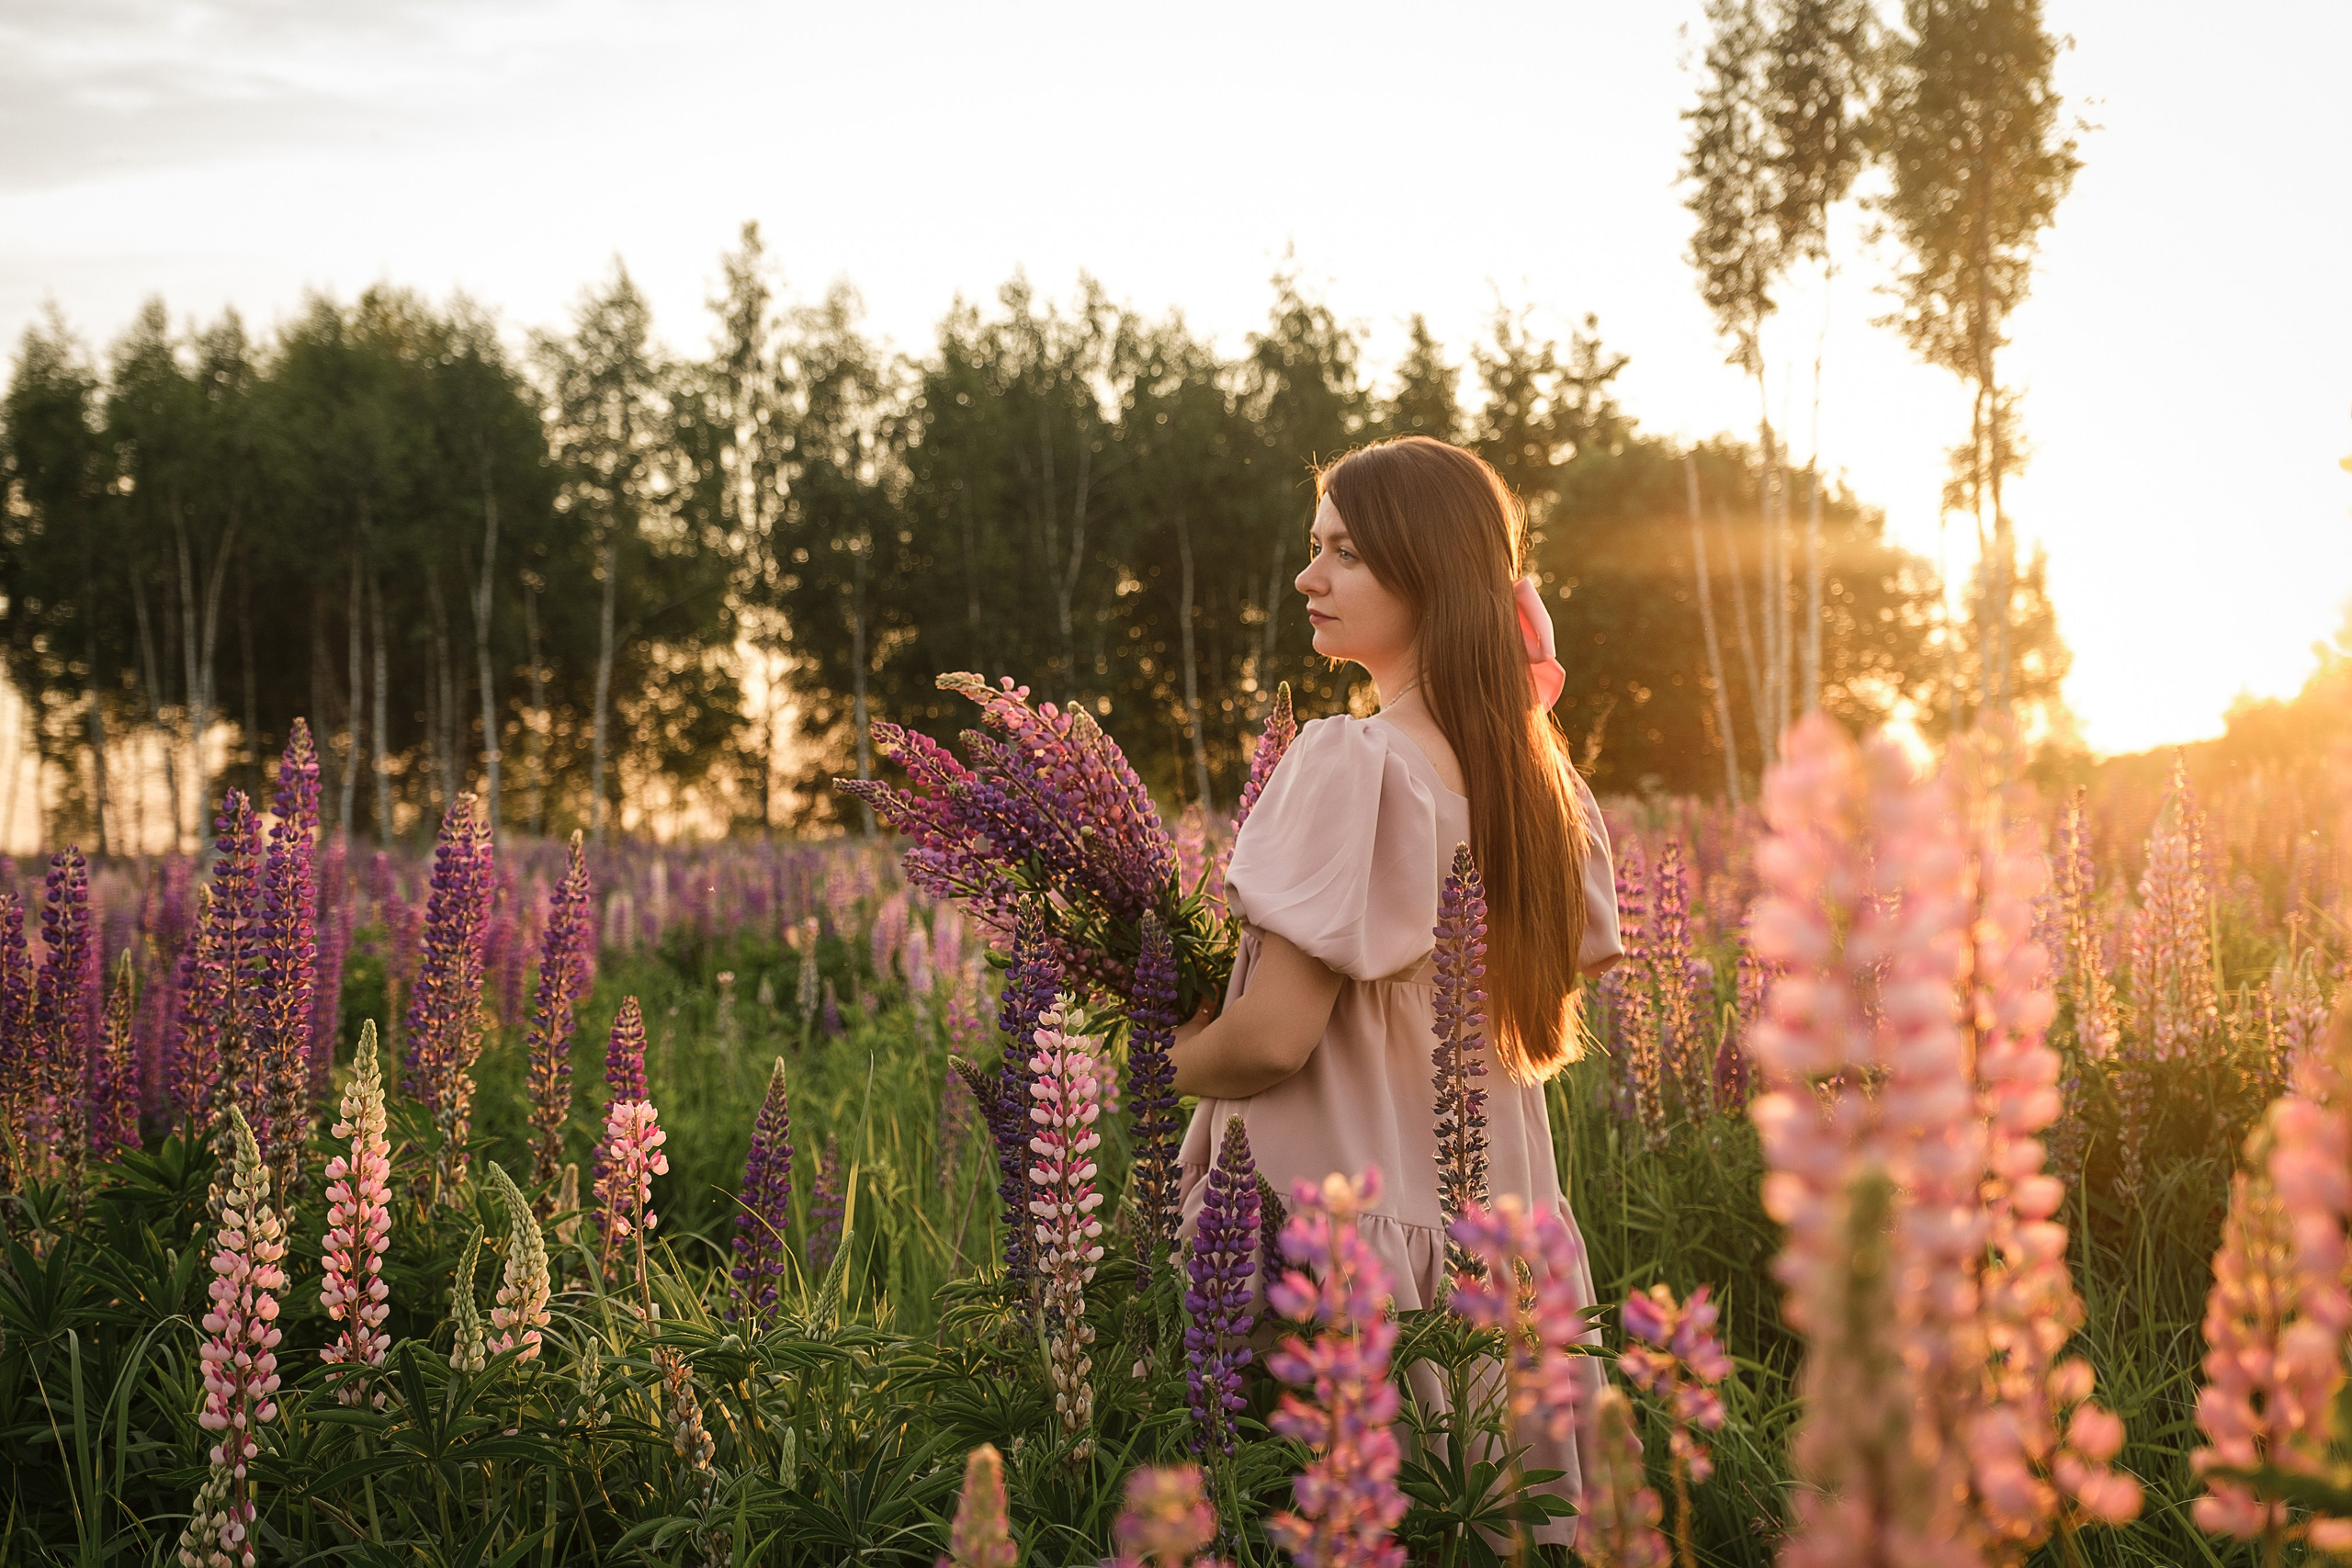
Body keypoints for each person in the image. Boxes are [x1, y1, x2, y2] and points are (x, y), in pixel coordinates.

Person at [1170, 434, 1623, 1531]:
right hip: (1496, 1249)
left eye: (1344, 555)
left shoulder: (1355, 759)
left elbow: (1275, 1039)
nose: (1306, 578)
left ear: (1425, 576)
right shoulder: (1536, 779)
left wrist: (1149, 1055)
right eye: (1313, 548)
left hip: (1326, 1246)